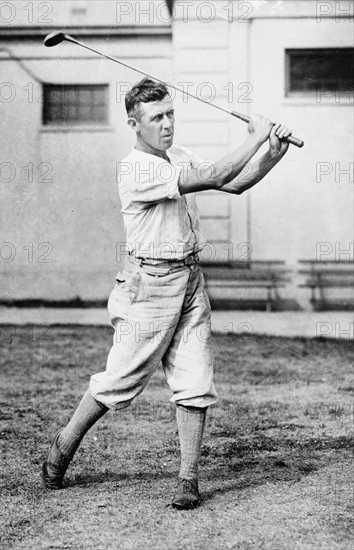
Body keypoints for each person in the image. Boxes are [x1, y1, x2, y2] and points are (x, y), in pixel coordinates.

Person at [42, 77, 292, 510]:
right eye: (156, 117)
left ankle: (188, 478)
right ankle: (64, 444)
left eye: (170, 114)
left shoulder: (177, 156)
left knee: (195, 380)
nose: (167, 124)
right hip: (150, 285)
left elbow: (231, 183)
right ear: (134, 124)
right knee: (121, 380)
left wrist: (271, 151)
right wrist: (253, 136)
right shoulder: (135, 168)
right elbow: (214, 174)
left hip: (191, 279)